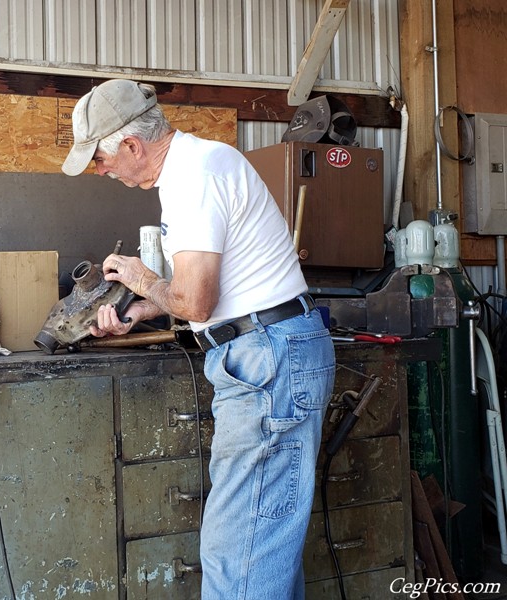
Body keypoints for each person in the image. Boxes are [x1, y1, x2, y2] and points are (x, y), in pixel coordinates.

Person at [61, 78, 336, 600]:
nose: (100, 171)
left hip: (266, 361)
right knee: (265, 547)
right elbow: (213, 292)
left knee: (239, 559)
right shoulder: (201, 163)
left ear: (132, 146)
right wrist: (141, 309)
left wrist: (140, 277)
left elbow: (195, 303)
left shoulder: (192, 175)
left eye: (99, 159)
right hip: (271, 353)